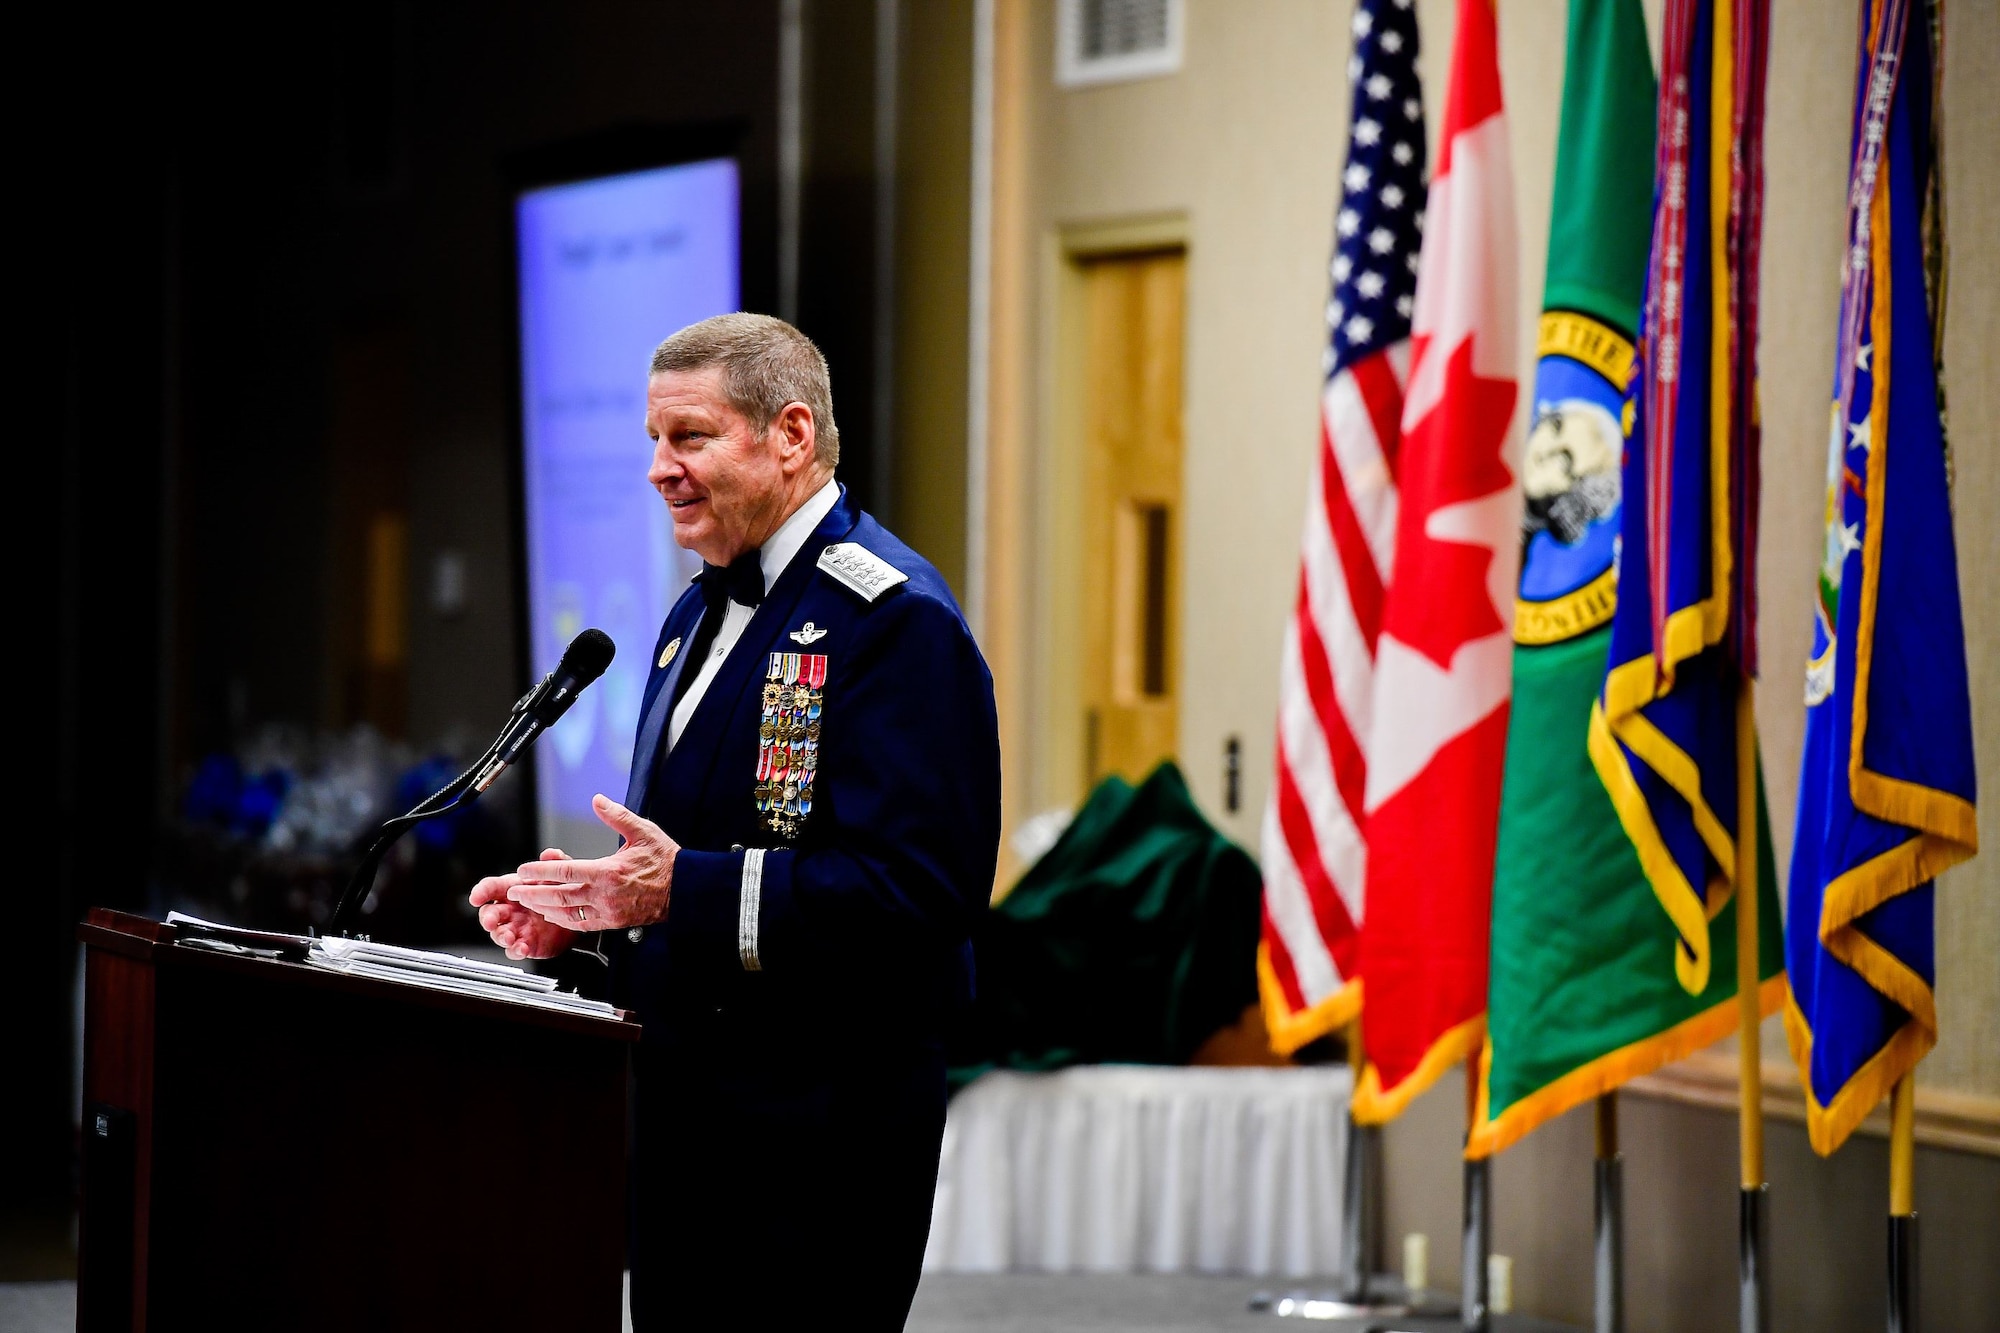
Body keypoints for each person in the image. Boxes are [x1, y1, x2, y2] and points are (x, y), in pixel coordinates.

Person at [468, 313, 1000, 1329]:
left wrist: (681, 889)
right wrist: (597, 910)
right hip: (680, 1116)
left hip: (820, 1133)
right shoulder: (690, 617)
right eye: (653, 442)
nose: (661, 469)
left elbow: (922, 893)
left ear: (790, 436)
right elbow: (693, 854)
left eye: (690, 438)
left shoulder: (895, 621)